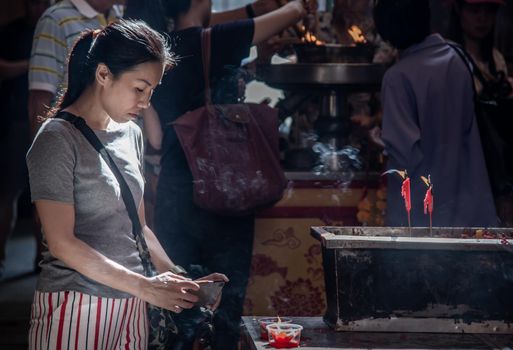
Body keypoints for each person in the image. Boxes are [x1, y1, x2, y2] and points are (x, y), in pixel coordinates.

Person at [26, 20, 227, 349]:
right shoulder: (56, 139)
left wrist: (180, 281)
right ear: (104, 74)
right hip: (77, 308)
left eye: (152, 91)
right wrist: (147, 287)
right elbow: (62, 243)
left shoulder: (131, 134)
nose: (146, 102)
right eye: (139, 88)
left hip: (133, 304)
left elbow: (139, 228)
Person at [126, 0, 311, 348]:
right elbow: (294, 12)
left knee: (177, 310)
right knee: (223, 313)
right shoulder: (212, 39)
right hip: (226, 192)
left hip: (175, 194)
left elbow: (154, 137)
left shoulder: (155, 47)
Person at [374, 0, 497, 227]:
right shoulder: (457, 57)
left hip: (424, 217)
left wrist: (380, 140)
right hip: (472, 210)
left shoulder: (397, 78)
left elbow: (406, 155)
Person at [448, 0, 513, 226]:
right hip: (466, 163)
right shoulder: (450, 59)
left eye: (488, 11)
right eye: (475, 11)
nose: (482, 19)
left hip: (500, 165)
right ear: (459, 11)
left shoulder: (496, 59)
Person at [0, 0, 50, 279]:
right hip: (16, 123)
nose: (39, 7)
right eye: (35, 2)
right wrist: (34, 64)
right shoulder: (11, 31)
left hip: (49, 123)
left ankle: (41, 262)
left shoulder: (52, 25)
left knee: (44, 197)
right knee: (8, 194)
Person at [28, 0, 124, 137]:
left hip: (119, 143)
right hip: (72, 143)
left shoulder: (121, 16)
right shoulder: (56, 19)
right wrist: (42, 152)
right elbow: (40, 99)